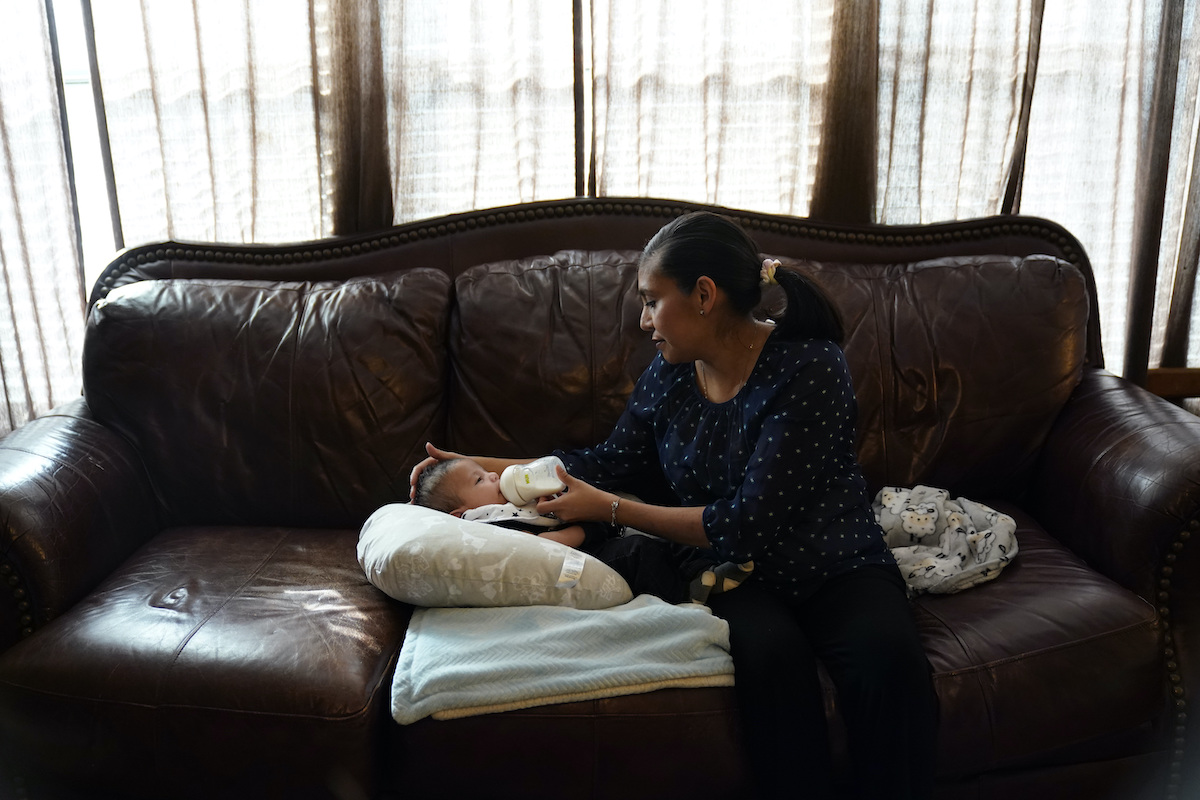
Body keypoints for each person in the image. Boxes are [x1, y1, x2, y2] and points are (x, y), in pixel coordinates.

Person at [410, 211, 938, 799]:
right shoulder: (669, 374)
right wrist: (477, 467)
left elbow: (747, 520)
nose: (642, 322)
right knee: (771, 660)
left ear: (705, 296)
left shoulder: (809, 368)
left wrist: (611, 510)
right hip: (737, 577)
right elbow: (607, 461)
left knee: (889, 664)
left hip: (835, 565)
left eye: (651, 301)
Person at [411, 454, 754, 604]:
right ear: (461, 513)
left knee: (665, 536)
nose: (494, 475)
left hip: (595, 533)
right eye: (479, 479)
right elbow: (530, 546)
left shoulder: (514, 502)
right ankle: (686, 594)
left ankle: (707, 569)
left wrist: (550, 497)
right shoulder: (485, 524)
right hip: (575, 566)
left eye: (487, 471)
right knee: (640, 553)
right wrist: (566, 535)